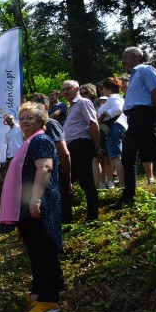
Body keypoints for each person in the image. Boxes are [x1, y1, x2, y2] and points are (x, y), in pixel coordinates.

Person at [0, 102, 63, 312]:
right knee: (35, 252)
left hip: (39, 204)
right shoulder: (29, 142)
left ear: (41, 120)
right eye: (22, 117)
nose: (25, 120)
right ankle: (38, 293)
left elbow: (45, 168)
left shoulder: (41, 140)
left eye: (30, 117)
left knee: (44, 251)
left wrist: (35, 200)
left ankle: (49, 299)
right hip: (27, 207)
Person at [111, 47, 156, 209]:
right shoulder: (133, 76)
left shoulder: (145, 69)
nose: (123, 60)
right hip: (133, 119)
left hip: (144, 116)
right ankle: (128, 196)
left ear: (136, 57)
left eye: (126, 56)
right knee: (127, 157)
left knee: (155, 151)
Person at [27, 93, 74, 224]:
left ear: (45, 106)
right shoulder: (34, 129)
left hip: (56, 175)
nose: (31, 109)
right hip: (42, 177)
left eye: (35, 106)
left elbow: (64, 153)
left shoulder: (51, 124)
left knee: (62, 218)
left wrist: (68, 180)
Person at [62, 79, 100, 220]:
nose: (65, 91)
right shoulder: (71, 107)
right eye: (63, 89)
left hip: (81, 145)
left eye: (68, 88)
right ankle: (66, 219)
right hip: (71, 147)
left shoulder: (83, 102)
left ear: (77, 89)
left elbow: (93, 124)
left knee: (86, 181)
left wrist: (96, 147)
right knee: (65, 182)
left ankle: (92, 217)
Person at [96, 78, 126, 190]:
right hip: (118, 127)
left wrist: (104, 115)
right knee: (116, 157)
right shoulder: (118, 97)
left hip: (114, 127)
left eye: (103, 88)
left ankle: (123, 185)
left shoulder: (113, 97)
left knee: (116, 158)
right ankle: (123, 184)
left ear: (108, 88)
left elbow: (118, 109)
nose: (102, 91)